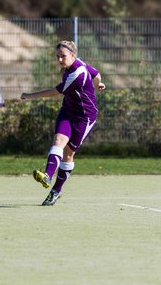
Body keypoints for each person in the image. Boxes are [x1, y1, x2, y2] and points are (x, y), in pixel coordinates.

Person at [20, 40, 106, 206]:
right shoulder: (76, 65)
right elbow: (96, 74)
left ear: (73, 55)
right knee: (58, 141)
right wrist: (99, 83)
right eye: (57, 56)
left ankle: (56, 191)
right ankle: (47, 175)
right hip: (67, 112)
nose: (59, 60)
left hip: (85, 117)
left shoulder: (77, 73)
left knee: (68, 155)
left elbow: (54, 92)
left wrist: (29, 95)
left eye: (63, 56)